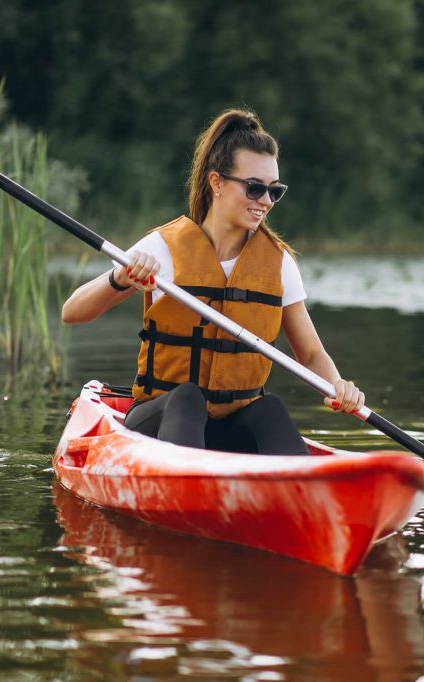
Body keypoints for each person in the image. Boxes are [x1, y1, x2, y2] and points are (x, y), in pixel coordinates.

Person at [61, 109, 364, 455]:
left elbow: (310, 353)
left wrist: (339, 385)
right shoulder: (162, 248)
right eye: (254, 188)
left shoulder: (278, 263)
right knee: (187, 397)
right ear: (217, 182)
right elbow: (73, 312)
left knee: (269, 409)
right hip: (158, 422)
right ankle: (184, 480)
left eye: (274, 191)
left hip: (230, 427)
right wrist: (121, 277)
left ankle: (304, 493)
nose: (265, 201)